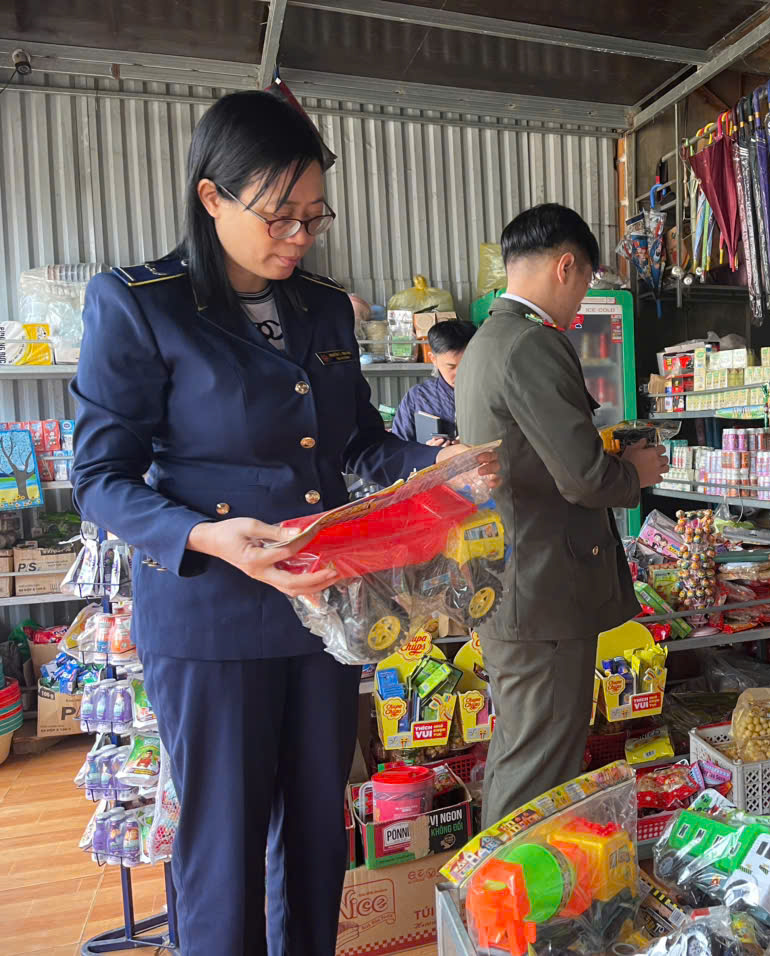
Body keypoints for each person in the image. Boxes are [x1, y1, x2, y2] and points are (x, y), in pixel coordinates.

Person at [70, 91, 497, 956]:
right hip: (212, 614)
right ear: (211, 198)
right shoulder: (140, 304)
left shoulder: (322, 309)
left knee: (314, 836)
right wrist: (203, 536)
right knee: (222, 847)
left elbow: (360, 444)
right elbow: (100, 479)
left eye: (314, 217)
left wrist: (441, 466)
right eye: (280, 216)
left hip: (321, 613)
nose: (299, 237)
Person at [455, 203, 668, 827]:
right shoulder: (531, 344)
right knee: (540, 762)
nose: (579, 305)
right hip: (542, 587)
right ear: (566, 266)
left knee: (523, 749)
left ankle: (501, 901)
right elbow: (581, 477)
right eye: (583, 287)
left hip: (515, 580)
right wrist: (637, 474)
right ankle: (513, 911)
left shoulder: (487, 341)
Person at [390, 319, 477, 444]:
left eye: (467, 365)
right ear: (433, 359)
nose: (461, 374)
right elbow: (398, 451)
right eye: (451, 367)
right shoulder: (417, 398)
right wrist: (429, 455)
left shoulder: (491, 393)